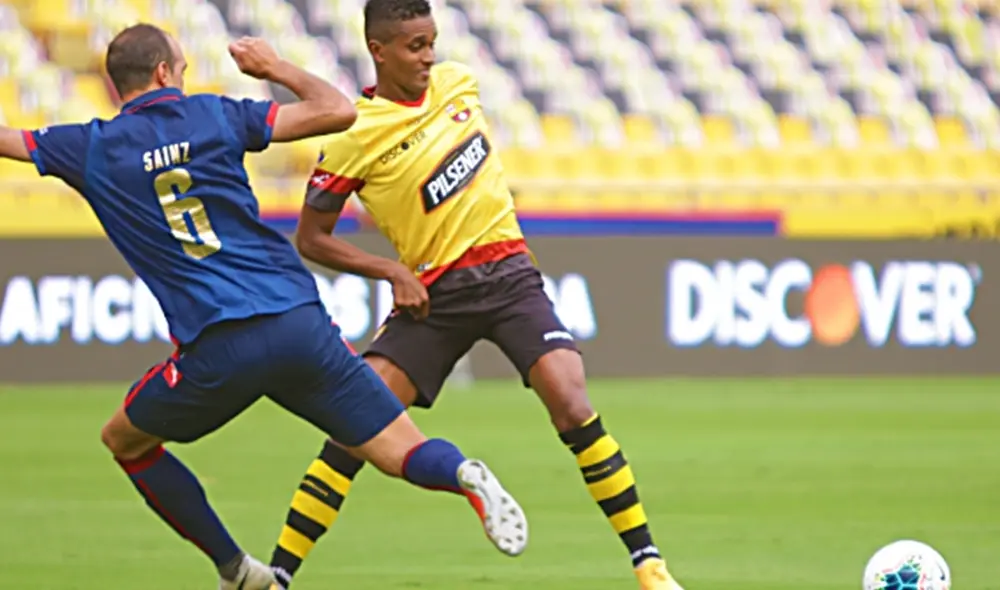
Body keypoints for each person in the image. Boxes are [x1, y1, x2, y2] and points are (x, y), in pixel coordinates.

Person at [0, 23, 528, 590]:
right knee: (401, 448)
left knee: (125, 440)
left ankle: (239, 572)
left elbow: (9, 140)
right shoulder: (217, 115)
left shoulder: (89, 146)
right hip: (299, 321)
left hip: (219, 342)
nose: (182, 78)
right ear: (162, 74)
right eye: (180, 69)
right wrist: (275, 68)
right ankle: (462, 473)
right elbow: (336, 111)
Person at [268, 1, 685, 589]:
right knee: (354, 426)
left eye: (432, 41)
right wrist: (391, 272)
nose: (429, 55)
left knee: (569, 397)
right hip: (434, 295)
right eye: (415, 46)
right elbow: (311, 237)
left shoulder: (460, 82)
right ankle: (280, 575)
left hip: (509, 272)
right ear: (379, 50)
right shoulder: (351, 136)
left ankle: (650, 565)